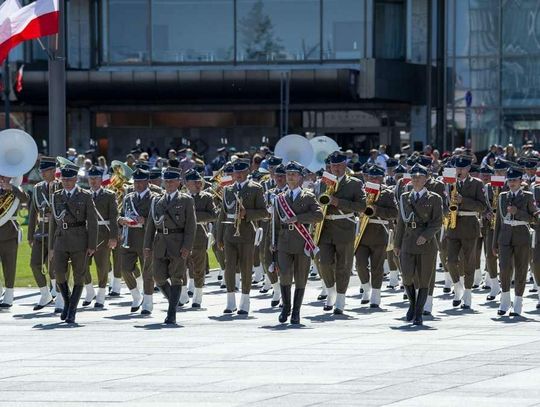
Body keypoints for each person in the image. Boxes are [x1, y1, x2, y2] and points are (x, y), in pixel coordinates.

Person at [144, 167, 196, 324]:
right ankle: (174, 301)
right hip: (160, 242)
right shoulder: (156, 201)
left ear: (178, 182)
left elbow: (191, 226)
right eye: (166, 181)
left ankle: (171, 313)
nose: (168, 184)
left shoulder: (186, 200)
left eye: (172, 181)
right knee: (158, 277)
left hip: (178, 242)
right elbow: (151, 225)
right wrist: (147, 246)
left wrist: (187, 246)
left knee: (176, 278)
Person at [216, 159, 267, 315]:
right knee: (229, 267)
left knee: (246, 267)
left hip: (246, 232)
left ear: (247, 172)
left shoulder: (256, 189)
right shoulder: (228, 190)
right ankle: (230, 302)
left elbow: (264, 212)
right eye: (235, 172)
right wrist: (219, 236)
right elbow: (222, 214)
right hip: (229, 233)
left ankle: (245, 301)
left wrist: (248, 214)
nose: (237, 175)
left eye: (241, 172)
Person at [273, 161, 322, 324]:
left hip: (302, 242)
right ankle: (286, 307)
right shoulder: (280, 198)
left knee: (301, 277)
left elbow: (318, 216)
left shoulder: (307, 196)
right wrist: (272, 243)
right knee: (285, 275)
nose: (290, 177)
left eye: (294, 174)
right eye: (288, 174)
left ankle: (296, 311)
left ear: (300, 177)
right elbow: (274, 223)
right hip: (284, 241)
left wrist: (298, 218)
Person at [394, 164, 443, 325]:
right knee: (407, 276)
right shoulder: (404, 197)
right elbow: (401, 222)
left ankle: (419, 312)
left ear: (426, 179)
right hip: (408, 240)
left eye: (419, 177)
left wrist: (425, 236)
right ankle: (413, 305)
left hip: (426, 242)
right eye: (413, 177)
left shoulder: (434, 198)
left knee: (424, 278)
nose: (415, 180)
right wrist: (397, 243)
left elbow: (437, 222)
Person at [317, 151, 365, 314]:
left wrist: (337, 201)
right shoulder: (323, 182)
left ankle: (340, 299)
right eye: (333, 165)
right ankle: (330, 290)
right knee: (323, 263)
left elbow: (361, 207)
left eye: (338, 165)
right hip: (325, 228)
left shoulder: (355, 183)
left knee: (343, 266)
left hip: (345, 227)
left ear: (345, 165)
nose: (335, 168)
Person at [49, 163, 97, 323]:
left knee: (79, 275)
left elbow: (92, 221)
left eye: (70, 179)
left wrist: (92, 244)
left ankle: (72, 311)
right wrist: (50, 246)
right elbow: (53, 223)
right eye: (64, 179)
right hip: (61, 238)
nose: (67, 182)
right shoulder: (56, 196)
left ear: (76, 179)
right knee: (59, 273)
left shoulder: (85, 196)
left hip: (79, 238)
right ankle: (68, 303)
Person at [493, 167, 539, 316]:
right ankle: (505, 301)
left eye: (514, 180)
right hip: (505, 237)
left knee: (521, 269)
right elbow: (498, 221)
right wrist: (494, 243)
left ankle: (518, 302)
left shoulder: (527, 196)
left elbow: (534, 219)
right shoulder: (502, 196)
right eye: (510, 180)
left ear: (521, 181)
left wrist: (517, 212)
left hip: (522, 236)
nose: (511, 183)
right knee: (504, 268)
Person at [445, 156, 488, 310]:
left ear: (469, 169)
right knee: (450, 260)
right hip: (453, 225)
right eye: (457, 168)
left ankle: (468, 293)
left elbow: (483, 207)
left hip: (470, 225)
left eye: (462, 168)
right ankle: (457, 286)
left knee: (469, 262)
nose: (459, 171)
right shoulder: (450, 183)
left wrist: (464, 201)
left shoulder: (477, 184)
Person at [354, 165, 398, 308]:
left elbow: (394, 213)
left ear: (382, 178)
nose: (373, 180)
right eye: (371, 177)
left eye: (377, 177)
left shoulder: (387, 193)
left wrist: (377, 210)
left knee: (377, 266)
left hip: (380, 233)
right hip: (362, 233)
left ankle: (375, 294)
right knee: (360, 264)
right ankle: (366, 288)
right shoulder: (361, 192)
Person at [118, 168, 156, 314]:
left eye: (141, 181)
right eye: (136, 182)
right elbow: (121, 214)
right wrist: (120, 220)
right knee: (124, 269)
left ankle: (148, 302)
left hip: (146, 239)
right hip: (129, 239)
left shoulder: (154, 198)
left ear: (147, 182)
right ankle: (136, 295)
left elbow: (158, 220)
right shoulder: (128, 198)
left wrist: (144, 220)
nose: (138, 184)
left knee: (148, 273)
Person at [27, 157, 60, 311]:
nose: (42, 173)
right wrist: (30, 235)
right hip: (41, 232)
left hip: (58, 233)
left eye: (45, 171)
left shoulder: (61, 185)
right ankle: (45, 294)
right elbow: (33, 212)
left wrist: (53, 215)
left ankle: (60, 297)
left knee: (55, 267)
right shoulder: (37, 188)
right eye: (42, 171)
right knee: (34, 264)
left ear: (53, 171)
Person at [183, 169, 216, 308]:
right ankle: (183, 295)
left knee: (198, 267)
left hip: (199, 235)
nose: (198, 184)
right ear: (186, 183)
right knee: (181, 267)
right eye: (195, 182)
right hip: (182, 236)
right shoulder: (181, 197)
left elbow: (213, 215)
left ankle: (197, 296)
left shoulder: (206, 197)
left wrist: (192, 216)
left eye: (199, 182)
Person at [88, 166, 118, 309]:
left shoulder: (109, 195)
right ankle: (89, 290)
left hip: (102, 233)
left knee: (102, 266)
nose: (93, 181)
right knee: (81, 265)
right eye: (91, 178)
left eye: (96, 179)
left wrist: (113, 237)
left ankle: (101, 293)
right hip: (86, 234)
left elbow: (113, 217)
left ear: (101, 180)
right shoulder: (84, 194)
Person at [0, 173, 29, 308]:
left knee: (9, 265)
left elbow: (26, 199)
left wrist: (11, 188)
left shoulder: (16, 189)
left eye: (5, 176)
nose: (2, 179)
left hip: (10, 233)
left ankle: (9, 295)